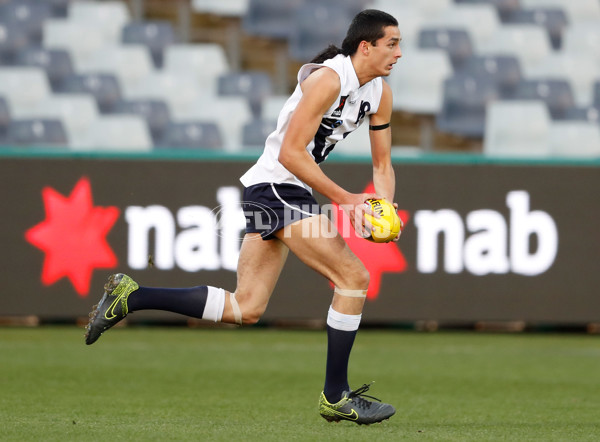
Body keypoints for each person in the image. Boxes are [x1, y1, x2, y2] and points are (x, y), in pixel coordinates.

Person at [85, 9, 403, 425]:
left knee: (246, 307)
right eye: (392, 43)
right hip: (277, 186)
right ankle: (335, 395)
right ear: (366, 46)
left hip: (283, 190)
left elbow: (382, 166)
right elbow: (290, 152)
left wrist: (381, 208)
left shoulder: (380, 93)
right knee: (354, 277)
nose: (399, 53)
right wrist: (346, 199)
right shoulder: (329, 79)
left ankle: (132, 296)